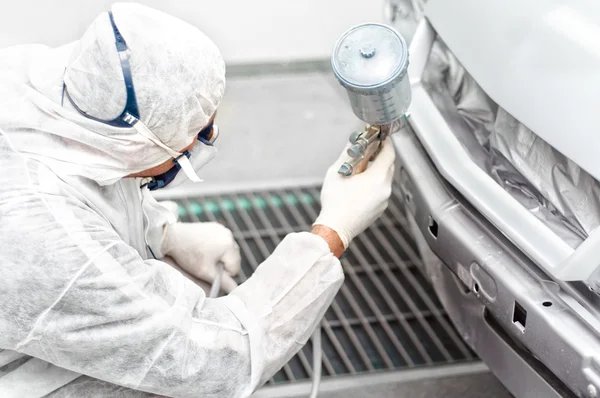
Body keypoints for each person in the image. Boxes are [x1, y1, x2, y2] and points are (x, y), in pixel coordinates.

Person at [0, 3, 396, 397]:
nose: (208, 138)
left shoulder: (54, 96)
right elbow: (214, 362)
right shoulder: (45, 236)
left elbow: (97, 179)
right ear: (137, 142)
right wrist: (333, 232)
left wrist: (165, 234)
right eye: (197, 129)